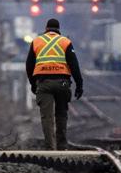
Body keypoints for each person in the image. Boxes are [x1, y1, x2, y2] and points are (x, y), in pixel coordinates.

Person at [25, 18, 83, 150]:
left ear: (46, 29)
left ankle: (50, 147)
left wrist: (33, 84)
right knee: (61, 114)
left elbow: (29, 65)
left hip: (43, 83)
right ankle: (62, 146)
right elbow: (74, 65)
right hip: (62, 83)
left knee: (47, 117)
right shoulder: (65, 42)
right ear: (58, 29)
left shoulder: (36, 41)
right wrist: (79, 85)